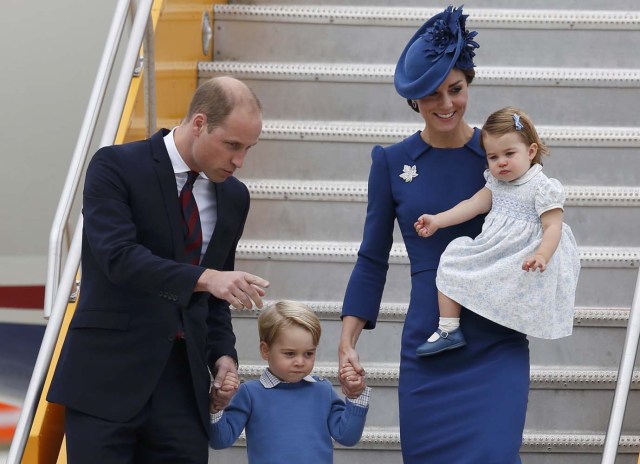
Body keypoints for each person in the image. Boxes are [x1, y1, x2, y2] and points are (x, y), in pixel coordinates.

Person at [339, 6, 532, 463]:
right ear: (414, 98)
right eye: (432, 93)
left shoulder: (503, 155)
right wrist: (348, 339)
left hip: (496, 339)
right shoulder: (390, 162)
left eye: (456, 89)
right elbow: (372, 258)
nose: (446, 104)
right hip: (431, 343)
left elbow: (540, 225)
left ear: (469, 84)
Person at [47, 76, 270, 464]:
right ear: (199, 123)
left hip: (182, 392)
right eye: (232, 145)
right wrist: (206, 278)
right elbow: (118, 257)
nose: (239, 161)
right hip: (107, 380)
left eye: (249, 149)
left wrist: (223, 357)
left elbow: (216, 300)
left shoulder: (235, 196)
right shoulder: (115, 165)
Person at [414, 107, 580, 356]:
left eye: (509, 153)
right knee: (453, 258)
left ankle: (502, 318)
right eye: (493, 157)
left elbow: (553, 226)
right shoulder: (496, 183)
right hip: (495, 249)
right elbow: (472, 205)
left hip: (524, 255)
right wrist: (438, 220)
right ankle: (449, 329)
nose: (501, 162)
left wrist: (542, 255)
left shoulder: (542, 187)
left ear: (531, 151)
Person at [210, 301, 370, 463]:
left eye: (308, 353)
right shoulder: (250, 394)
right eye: (290, 354)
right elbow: (221, 440)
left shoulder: (323, 390)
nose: (300, 361)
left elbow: (347, 436)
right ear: (265, 350)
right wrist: (216, 407)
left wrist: (356, 396)